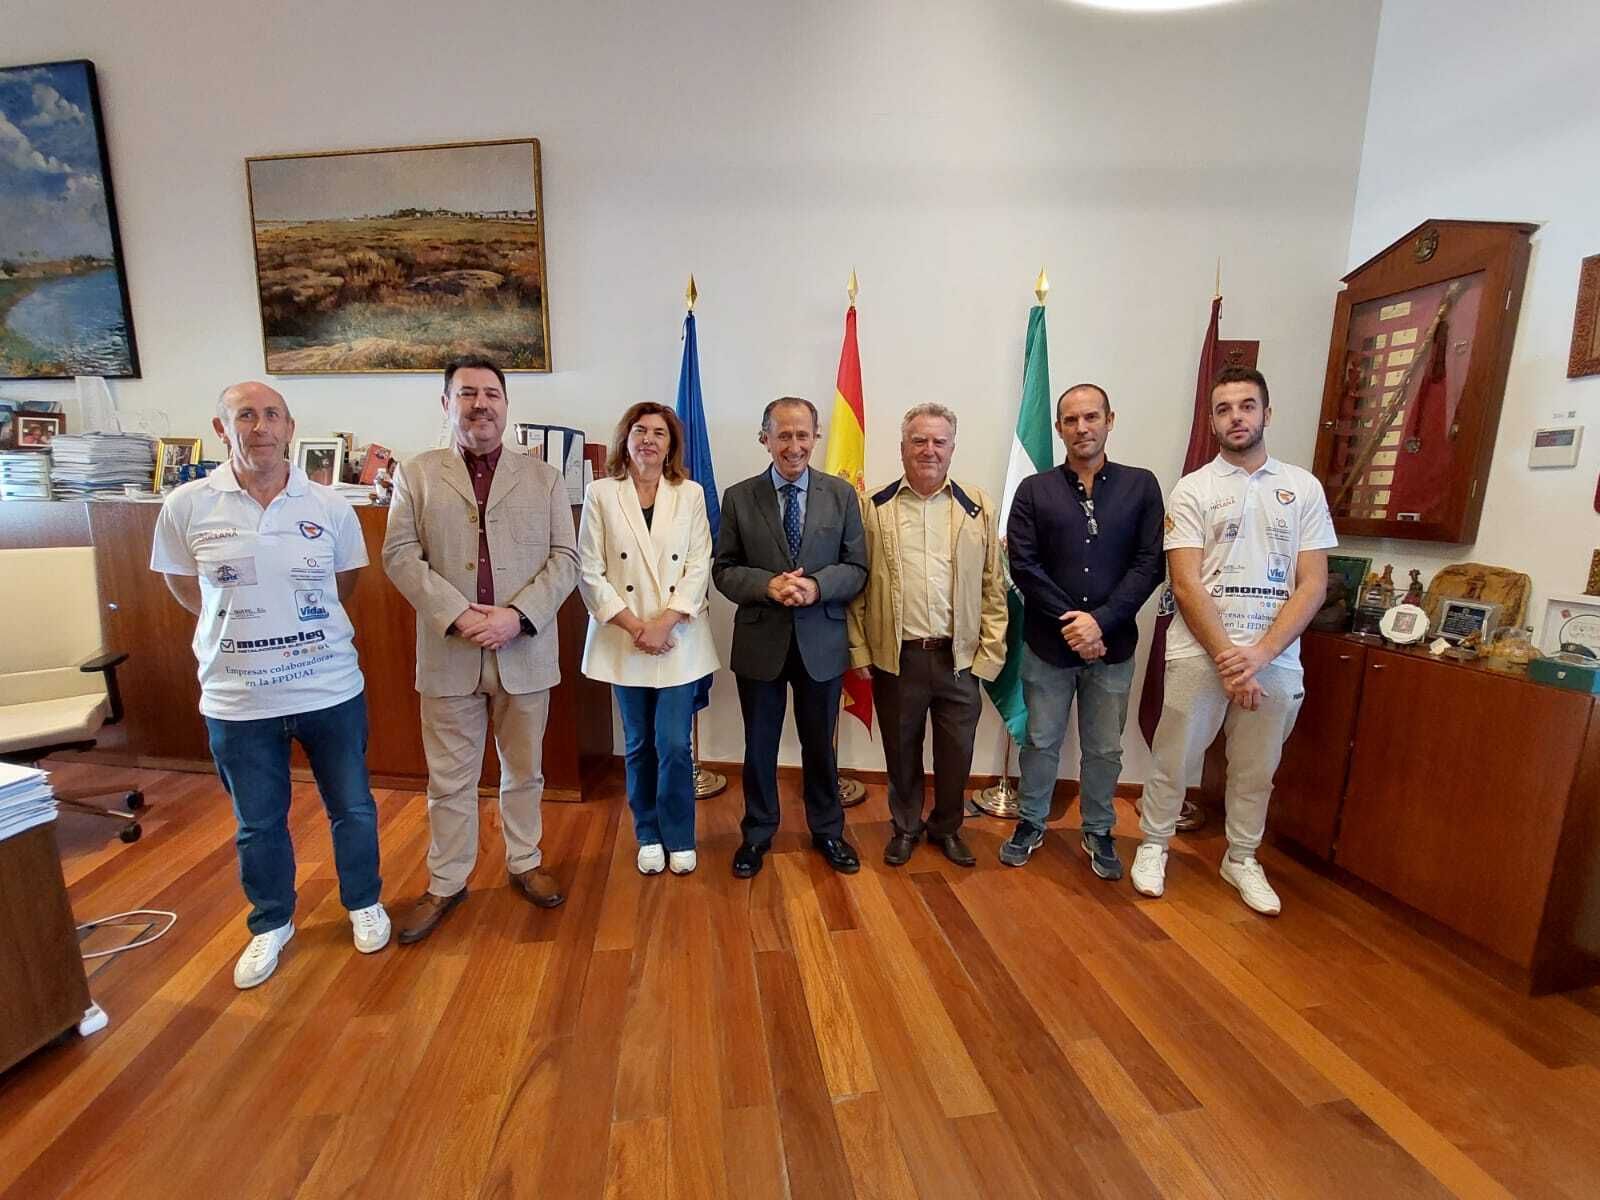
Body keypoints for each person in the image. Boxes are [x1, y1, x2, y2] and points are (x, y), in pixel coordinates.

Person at [150, 382, 388, 989]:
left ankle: (363, 902)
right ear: (221, 426)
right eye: (245, 416)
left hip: (327, 689)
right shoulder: (186, 504)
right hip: (237, 696)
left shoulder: (329, 505)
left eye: (271, 415)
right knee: (258, 822)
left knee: (353, 808)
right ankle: (271, 923)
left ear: (289, 426)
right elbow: (187, 589)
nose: (260, 427)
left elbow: (346, 583)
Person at [382, 355, 578, 942]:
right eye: (467, 394)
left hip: (524, 651)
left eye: (491, 393)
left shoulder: (542, 477)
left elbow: (564, 560)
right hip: (449, 654)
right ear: (447, 403)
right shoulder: (416, 474)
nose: (481, 405)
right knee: (449, 780)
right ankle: (446, 881)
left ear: (506, 404)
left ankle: (524, 862)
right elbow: (399, 556)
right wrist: (460, 614)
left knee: (525, 772)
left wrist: (516, 617)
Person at [1131, 365, 1335, 914]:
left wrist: (1262, 655)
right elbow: (1185, 580)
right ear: (1213, 419)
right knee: (1174, 759)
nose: (1236, 417)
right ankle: (1154, 845)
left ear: (1266, 413)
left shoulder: (1303, 488)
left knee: (1256, 769)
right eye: (1224, 409)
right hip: (1201, 652)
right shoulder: (1194, 488)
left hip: (1274, 657)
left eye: (1246, 406)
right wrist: (1228, 658)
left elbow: (1313, 582)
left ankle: (1241, 856)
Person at [1000, 383, 1165, 876]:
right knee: (1041, 741)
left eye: (1091, 417)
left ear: (1110, 419)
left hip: (1113, 648)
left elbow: (1150, 563)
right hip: (1049, 646)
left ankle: (1098, 828)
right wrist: (1075, 623)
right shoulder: (1035, 490)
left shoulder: (1141, 485)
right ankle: (1031, 821)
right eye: (1070, 421)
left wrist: (1102, 622)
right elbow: (1024, 566)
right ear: (1058, 429)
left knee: (1104, 747)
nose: (1082, 428)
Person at [713, 396, 868, 879]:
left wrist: (817, 586)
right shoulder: (738, 497)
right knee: (759, 746)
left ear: (816, 438)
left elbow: (858, 568)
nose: (794, 446)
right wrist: (768, 586)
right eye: (783, 435)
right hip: (761, 643)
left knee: (820, 745)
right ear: (765, 439)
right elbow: (724, 569)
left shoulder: (841, 495)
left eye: (803, 435)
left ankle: (827, 830)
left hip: (821, 643)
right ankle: (757, 833)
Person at [847, 403, 1007, 867]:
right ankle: (906, 827)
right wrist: (859, 648)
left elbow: (992, 586)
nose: (929, 450)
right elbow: (858, 585)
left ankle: (947, 827)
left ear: (953, 448)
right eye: (919, 441)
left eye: (939, 441)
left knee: (956, 754)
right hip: (898, 658)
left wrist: (988, 655)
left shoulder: (976, 505)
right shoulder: (873, 507)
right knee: (901, 751)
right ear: (902, 448)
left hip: (959, 659)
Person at [576, 402, 720, 876]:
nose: (649, 440)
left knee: (675, 744)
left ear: (671, 444)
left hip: (677, 639)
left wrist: (665, 624)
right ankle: (648, 834)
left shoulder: (691, 493)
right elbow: (590, 570)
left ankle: (680, 834)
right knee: (639, 744)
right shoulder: (601, 493)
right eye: (640, 431)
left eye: (659, 433)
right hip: (625, 637)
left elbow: (700, 564)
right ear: (626, 438)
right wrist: (638, 627)